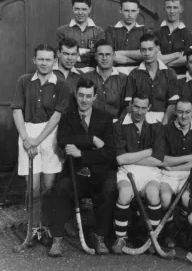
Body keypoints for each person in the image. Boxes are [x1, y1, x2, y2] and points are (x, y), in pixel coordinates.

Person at [46, 78, 117, 256]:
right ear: (76, 96)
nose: (84, 100)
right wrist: (92, 140)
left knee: (109, 188)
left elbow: (109, 152)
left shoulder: (105, 118)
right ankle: (57, 239)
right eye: (80, 95)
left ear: (95, 97)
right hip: (76, 172)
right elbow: (63, 141)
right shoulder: (67, 117)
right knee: (61, 188)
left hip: (100, 174)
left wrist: (82, 153)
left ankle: (100, 237)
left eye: (88, 96)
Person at [11, 44, 70, 229]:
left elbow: (57, 115)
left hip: (50, 135)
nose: (44, 63)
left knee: (49, 186)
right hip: (27, 133)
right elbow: (17, 111)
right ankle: (34, 226)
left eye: (48, 59)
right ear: (34, 60)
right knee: (33, 187)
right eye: (41, 59)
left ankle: (48, 226)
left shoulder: (61, 84)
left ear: (55, 61)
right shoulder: (24, 81)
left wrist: (38, 140)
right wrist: (27, 138)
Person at [112, 92, 164, 254]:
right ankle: (121, 237)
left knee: (153, 193)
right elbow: (120, 160)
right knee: (125, 194)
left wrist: (130, 157)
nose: (139, 112)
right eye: (136, 107)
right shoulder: (118, 125)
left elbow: (158, 160)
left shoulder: (156, 126)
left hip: (151, 173)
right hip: (127, 172)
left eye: (143, 108)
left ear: (149, 107)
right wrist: (149, 151)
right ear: (130, 106)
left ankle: (153, 239)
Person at [160, 98, 192, 248]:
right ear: (175, 112)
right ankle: (170, 232)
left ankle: (184, 233)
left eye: (187, 112)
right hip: (167, 176)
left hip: (188, 175)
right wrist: (188, 158)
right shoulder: (166, 129)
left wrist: (175, 167)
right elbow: (163, 160)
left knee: (187, 200)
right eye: (180, 112)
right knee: (165, 199)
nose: (184, 116)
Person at [124, 33, 179, 124]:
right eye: (143, 50)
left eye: (150, 49)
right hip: (139, 117)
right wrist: (140, 123)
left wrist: (163, 124)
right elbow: (128, 103)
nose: (147, 53)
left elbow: (172, 103)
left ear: (158, 49)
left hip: (164, 117)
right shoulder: (134, 74)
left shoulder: (169, 73)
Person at [57, 0, 105, 71]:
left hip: (93, 73)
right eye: (77, 9)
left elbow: (99, 53)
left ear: (89, 9)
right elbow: (60, 54)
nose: (80, 12)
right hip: (69, 72)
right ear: (72, 9)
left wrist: (74, 55)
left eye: (84, 9)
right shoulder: (62, 31)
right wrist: (87, 51)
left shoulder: (99, 31)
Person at [82, 39, 127, 119]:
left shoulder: (124, 79)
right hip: (91, 125)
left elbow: (127, 107)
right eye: (100, 54)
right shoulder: (85, 78)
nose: (104, 58)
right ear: (95, 56)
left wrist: (118, 125)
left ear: (114, 56)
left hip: (115, 125)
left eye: (108, 54)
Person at [105, 0, 148, 75]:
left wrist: (121, 52)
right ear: (120, 10)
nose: (130, 15)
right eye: (126, 10)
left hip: (139, 74)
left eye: (133, 11)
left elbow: (147, 54)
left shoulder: (145, 31)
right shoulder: (111, 30)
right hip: (116, 74)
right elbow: (110, 56)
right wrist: (139, 58)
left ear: (138, 11)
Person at [154, 0, 192, 75]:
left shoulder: (188, 34)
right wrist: (177, 54)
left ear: (181, 9)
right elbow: (154, 59)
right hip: (159, 78)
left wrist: (162, 62)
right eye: (169, 7)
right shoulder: (156, 33)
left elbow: (187, 60)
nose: (172, 11)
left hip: (180, 78)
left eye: (175, 7)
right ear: (164, 8)